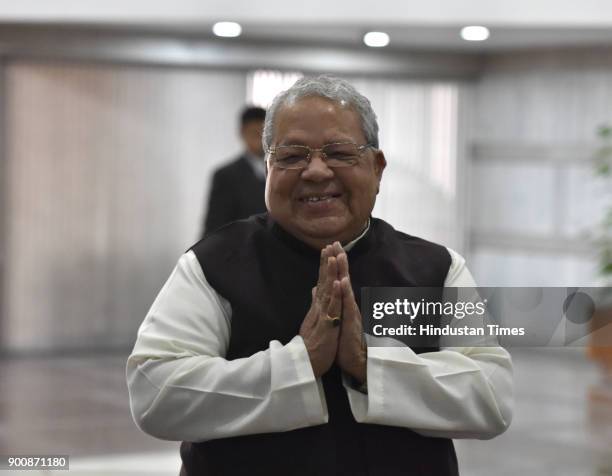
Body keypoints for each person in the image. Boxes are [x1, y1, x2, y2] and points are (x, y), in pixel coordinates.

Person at [127, 75, 513, 476]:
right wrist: (300, 362)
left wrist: (368, 366)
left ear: (377, 168)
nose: (314, 171)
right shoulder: (212, 265)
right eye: (292, 156)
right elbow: (155, 394)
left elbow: (493, 398)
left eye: (339, 153)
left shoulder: (434, 269)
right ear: (268, 166)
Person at [201, 106, 267, 236]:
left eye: (263, 134)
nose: (259, 140)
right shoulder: (225, 176)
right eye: (254, 133)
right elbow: (214, 226)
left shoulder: (280, 170)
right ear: (242, 133)